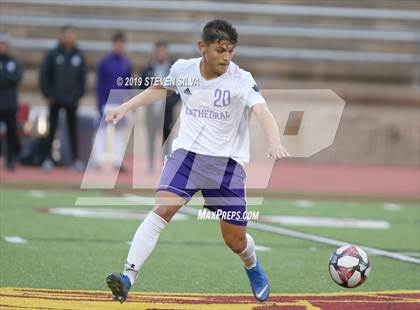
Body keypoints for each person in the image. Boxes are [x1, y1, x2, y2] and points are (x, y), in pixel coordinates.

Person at [105, 19, 289, 303]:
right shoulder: (184, 69)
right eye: (220, 50)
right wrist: (125, 107)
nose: (226, 57)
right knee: (162, 209)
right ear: (202, 47)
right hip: (187, 156)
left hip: (226, 165)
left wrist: (275, 140)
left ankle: (252, 265)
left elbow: (263, 112)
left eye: (230, 51)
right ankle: (128, 276)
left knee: (235, 241)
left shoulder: (241, 78)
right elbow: (161, 89)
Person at [40, 25, 86, 171]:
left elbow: (82, 79)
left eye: (73, 34)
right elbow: (44, 75)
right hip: (55, 99)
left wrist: (77, 96)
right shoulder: (53, 54)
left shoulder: (78, 55)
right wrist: (48, 94)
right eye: (68, 34)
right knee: (51, 129)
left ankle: (75, 160)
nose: (71, 37)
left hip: (71, 100)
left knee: (73, 129)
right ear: (62, 36)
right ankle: (47, 158)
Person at [92, 32, 132, 170]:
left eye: (122, 44)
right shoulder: (104, 62)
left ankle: (118, 161)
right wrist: (100, 103)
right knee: (101, 132)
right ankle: (96, 160)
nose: (120, 47)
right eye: (118, 44)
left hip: (120, 103)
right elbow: (99, 84)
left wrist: (128, 103)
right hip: (106, 102)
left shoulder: (126, 63)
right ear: (114, 44)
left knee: (120, 134)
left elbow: (128, 85)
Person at [140, 41, 179, 174]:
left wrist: (169, 103)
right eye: (159, 51)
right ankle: (151, 165)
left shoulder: (173, 69)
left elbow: (178, 90)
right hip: (152, 111)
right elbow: (142, 89)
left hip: (167, 112)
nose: (161, 54)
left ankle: (165, 164)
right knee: (151, 138)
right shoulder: (148, 69)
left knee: (167, 140)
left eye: (163, 51)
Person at [0, 33, 23, 171]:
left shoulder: (14, 62)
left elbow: (15, 78)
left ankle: (10, 159)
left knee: (11, 133)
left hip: (9, 104)